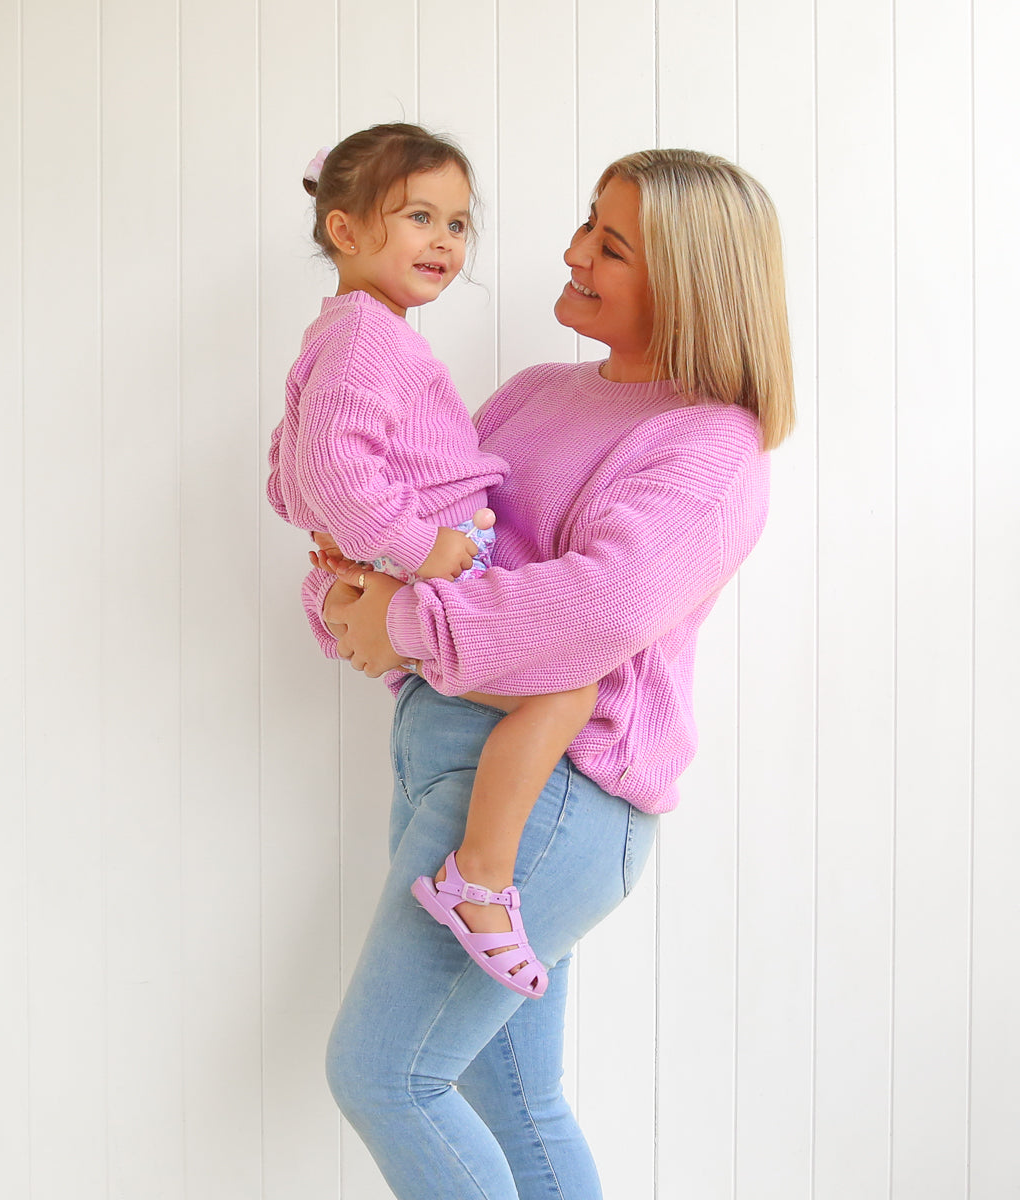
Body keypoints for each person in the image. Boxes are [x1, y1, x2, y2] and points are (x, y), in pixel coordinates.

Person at [304, 147, 795, 1198]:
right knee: (505, 1097)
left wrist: (407, 621)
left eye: (610, 245)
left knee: (386, 1075)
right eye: (587, 223)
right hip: (448, 760)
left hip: (557, 795)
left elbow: (594, 611)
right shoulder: (535, 394)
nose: (571, 252)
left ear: (690, 282)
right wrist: (351, 599)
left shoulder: (712, 447)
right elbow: (424, 525)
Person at [267, 123, 598, 999]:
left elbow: (290, 469)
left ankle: (483, 877)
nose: (445, 243)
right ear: (344, 231)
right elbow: (329, 470)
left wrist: (361, 541)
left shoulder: (349, 335)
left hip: (404, 578)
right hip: (421, 578)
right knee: (567, 688)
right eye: (420, 217)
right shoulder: (368, 340)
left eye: (458, 224)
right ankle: (478, 881)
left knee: (556, 688)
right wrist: (423, 549)